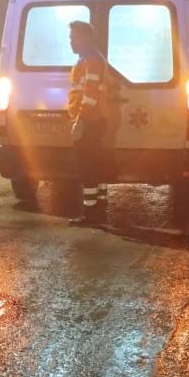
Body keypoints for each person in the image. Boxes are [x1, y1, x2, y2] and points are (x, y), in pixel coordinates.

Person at [67, 21, 114, 227]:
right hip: (94, 121)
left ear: (85, 37)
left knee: (87, 167)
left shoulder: (91, 61)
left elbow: (90, 95)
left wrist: (80, 120)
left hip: (89, 122)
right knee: (97, 165)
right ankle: (99, 208)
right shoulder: (90, 58)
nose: (71, 42)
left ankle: (91, 214)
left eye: (73, 37)